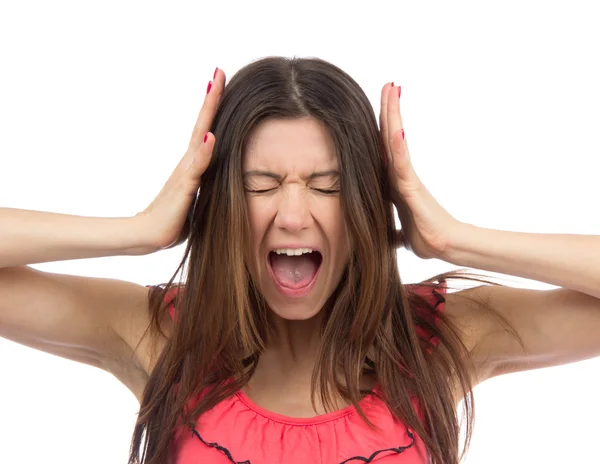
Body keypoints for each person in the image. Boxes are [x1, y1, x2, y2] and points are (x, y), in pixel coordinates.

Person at [1, 56, 598, 464]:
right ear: (225, 202)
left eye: (328, 184)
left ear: (367, 202)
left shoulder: (439, 341)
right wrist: (140, 232)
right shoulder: (162, 338)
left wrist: (450, 238)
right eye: (261, 185)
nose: (292, 215)